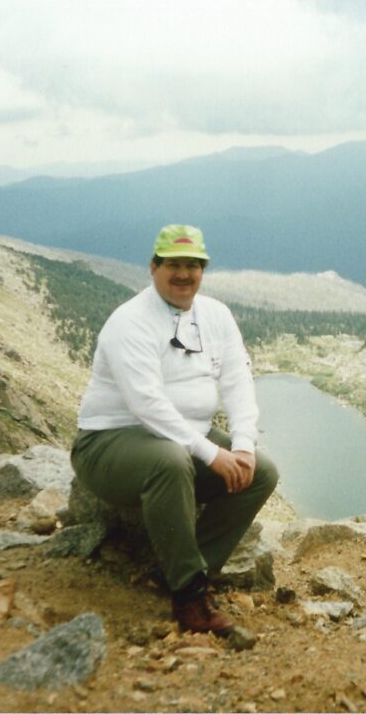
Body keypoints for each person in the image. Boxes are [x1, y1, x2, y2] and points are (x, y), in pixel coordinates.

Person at [70, 224, 279, 634]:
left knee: (261, 474)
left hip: (185, 437)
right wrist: (210, 454)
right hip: (108, 443)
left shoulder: (216, 316)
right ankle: (189, 599)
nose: (184, 274)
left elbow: (237, 380)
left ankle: (184, 570)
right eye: (174, 265)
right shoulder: (130, 321)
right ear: (153, 267)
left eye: (193, 265)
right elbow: (146, 404)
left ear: (203, 269)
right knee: (170, 461)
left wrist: (242, 445)